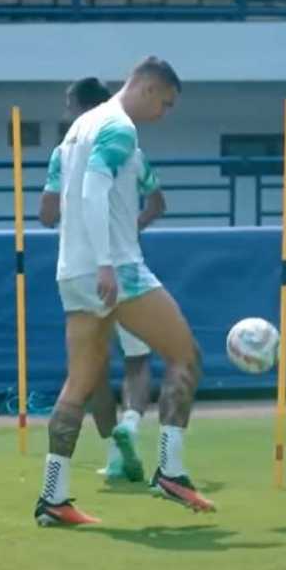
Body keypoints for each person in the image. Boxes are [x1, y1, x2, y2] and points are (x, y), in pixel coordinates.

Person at [34, 57, 214, 527]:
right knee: (187, 357)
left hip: (70, 272)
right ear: (150, 89)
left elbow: (59, 204)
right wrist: (107, 263)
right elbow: (93, 192)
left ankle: (54, 497)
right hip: (114, 269)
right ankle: (171, 471)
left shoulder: (77, 130)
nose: (165, 114)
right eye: (167, 104)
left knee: (80, 382)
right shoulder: (119, 128)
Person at [39, 76, 166, 483]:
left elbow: (45, 214)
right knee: (138, 357)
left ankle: (113, 452)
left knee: (89, 366)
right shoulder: (131, 147)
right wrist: (131, 225)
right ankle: (131, 421)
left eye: (68, 105)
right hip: (125, 265)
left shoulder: (65, 151)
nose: (66, 114)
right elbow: (158, 202)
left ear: (81, 108)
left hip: (79, 268)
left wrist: (74, 213)